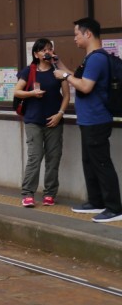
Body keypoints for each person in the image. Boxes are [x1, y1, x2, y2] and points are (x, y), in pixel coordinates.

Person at [53, 17, 121, 223]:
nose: (74, 38)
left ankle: (115, 207)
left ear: (88, 34)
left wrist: (64, 76)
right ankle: (96, 201)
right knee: (89, 162)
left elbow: (85, 87)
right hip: (88, 120)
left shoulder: (97, 59)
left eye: (76, 34)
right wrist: (60, 65)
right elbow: (79, 78)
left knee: (101, 162)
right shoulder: (91, 58)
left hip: (96, 120)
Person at [14, 39, 69, 207]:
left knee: (53, 158)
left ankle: (50, 194)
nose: (48, 52)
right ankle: (28, 193)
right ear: (36, 54)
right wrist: (32, 93)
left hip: (54, 121)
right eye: (44, 49)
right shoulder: (28, 71)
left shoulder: (58, 71)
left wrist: (60, 114)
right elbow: (17, 92)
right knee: (35, 157)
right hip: (33, 121)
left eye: (50, 49)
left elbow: (66, 96)